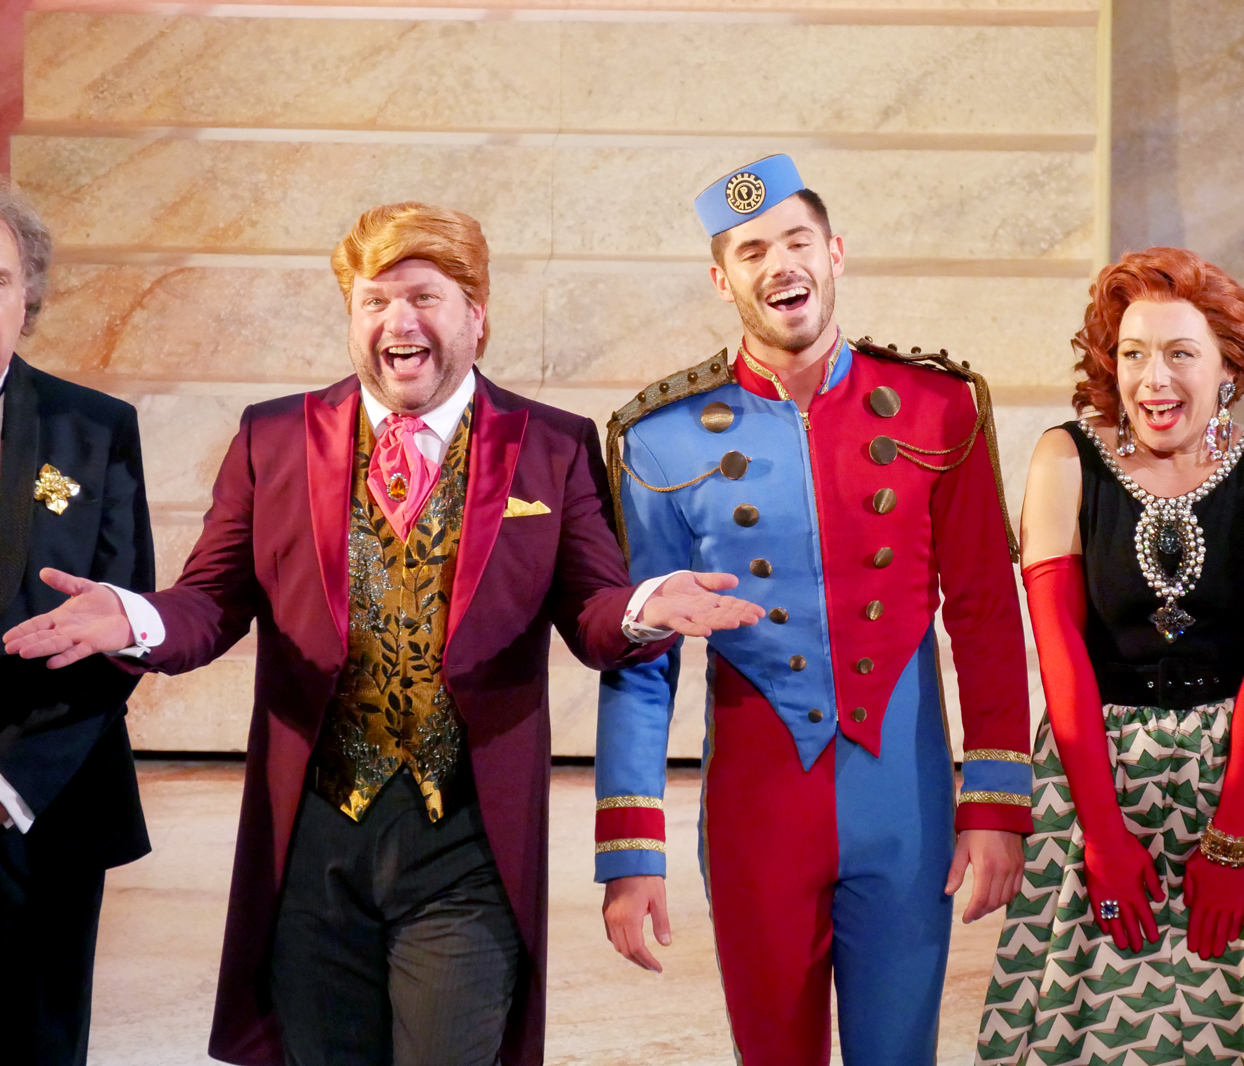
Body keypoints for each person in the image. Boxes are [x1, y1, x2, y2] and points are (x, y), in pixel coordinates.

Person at [3, 201, 763, 1066]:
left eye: (424, 298)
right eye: (375, 301)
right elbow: (210, 602)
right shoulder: (274, 438)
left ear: (477, 316)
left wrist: (642, 607)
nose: (399, 322)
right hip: (312, 848)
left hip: (467, 849)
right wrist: (133, 615)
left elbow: (592, 613)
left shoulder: (552, 446)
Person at [594, 154, 1033, 1065]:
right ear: (722, 280)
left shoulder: (938, 407)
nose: (779, 264)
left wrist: (996, 803)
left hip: (907, 811)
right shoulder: (660, 437)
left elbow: (986, 615)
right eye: (751, 251)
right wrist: (631, 847)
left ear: (835, 254)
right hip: (758, 817)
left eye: (797, 241)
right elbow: (642, 658)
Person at [977, 247, 1244, 1064]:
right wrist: (1103, 836)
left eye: (1181, 353)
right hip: (1092, 770)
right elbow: (1060, 654)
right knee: (1082, 1021)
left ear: (1228, 369)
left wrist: (1232, 839)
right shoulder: (1064, 458)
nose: (1153, 378)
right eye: (1133, 353)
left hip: (1236, 770)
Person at [0, 186, 155, 1065]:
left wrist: (12, 785)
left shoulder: (95, 429)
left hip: (47, 803)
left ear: (28, 293)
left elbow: (125, 627)